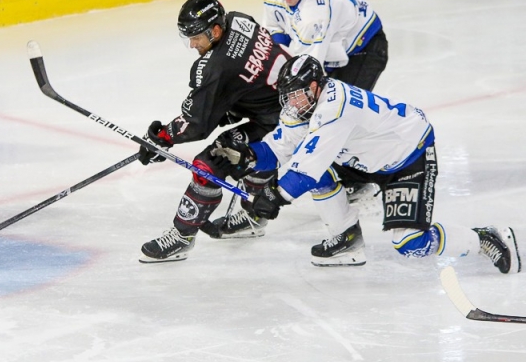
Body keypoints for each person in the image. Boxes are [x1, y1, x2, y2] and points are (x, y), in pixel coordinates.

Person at [212, 55, 521, 273]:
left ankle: (484, 238)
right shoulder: (301, 107)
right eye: (288, 96)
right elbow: (282, 147)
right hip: (363, 156)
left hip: (407, 155)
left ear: (317, 86)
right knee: (317, 173)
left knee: (411, 243)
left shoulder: (334, 107)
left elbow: (305, 168)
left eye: (298, 95)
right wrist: (248, 155)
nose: (293, 103)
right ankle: (346, 238)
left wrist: (274, 196)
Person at [137, 0, 292, 263]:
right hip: (291, 107)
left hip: (281, 123)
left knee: (208, 166)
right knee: (239, 143)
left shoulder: (215, 68)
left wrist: (163, 136)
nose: (193, 44)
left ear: (216, 30)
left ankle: (182, 237)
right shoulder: (240, 20)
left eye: (197, 37)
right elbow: (247, 78)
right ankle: (253, 217)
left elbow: (197, 123)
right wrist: (228, 110)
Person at [262, 0, 388, 91]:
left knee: (342, 109)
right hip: (332, 44)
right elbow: (275, 28)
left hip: (364, 49)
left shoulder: (313, 15)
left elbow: (307, 69)